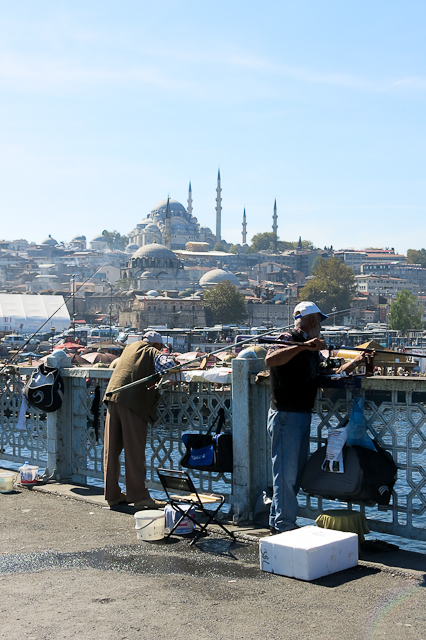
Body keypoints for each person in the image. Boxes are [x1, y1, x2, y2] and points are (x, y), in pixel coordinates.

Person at [265, 301, 367, 533]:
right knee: (286, 474)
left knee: (293, 473)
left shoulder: (312, 349)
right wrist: (305, 347)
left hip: (301, 414)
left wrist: (355, 362)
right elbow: (271, 360)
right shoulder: (289, 337)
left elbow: (329, 373)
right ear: (312, 320)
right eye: (319, 321)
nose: (320, 327)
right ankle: (284, 525)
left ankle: (277, 520)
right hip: (285, 414)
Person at [103, 331, 177, 508]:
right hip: (132, 402)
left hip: (113, 398)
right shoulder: (152, 351)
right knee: (134, 451)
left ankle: (112, 495)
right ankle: (138, 496)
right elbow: (167, 365)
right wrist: (174, 362)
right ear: (157, 345)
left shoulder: (130, 348)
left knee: (111, 450)